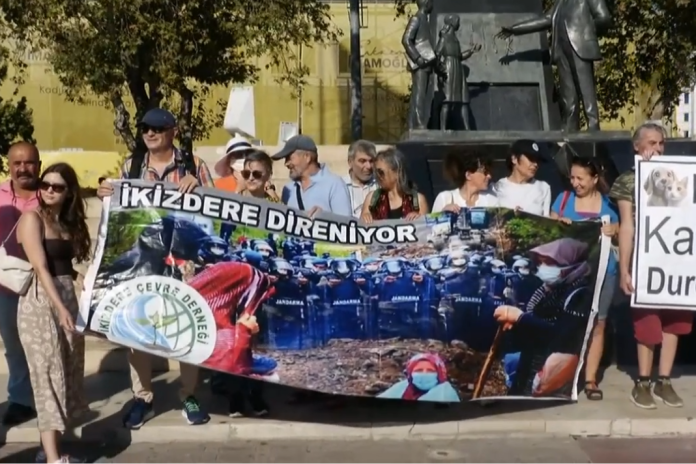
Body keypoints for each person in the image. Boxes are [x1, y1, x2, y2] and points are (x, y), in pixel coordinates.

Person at [96, 108, 214, 428]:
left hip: (184, 264)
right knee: (137, 330)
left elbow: (217, 212)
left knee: (186, 328)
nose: (149, 133)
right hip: (143, 262)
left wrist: (200, 188)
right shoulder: (131, 167)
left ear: (172, 131)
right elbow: (119, 214)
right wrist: (106, 195)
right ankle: (142, 397)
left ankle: (188, 394)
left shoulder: (195, 166)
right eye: (145, 128)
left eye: (157, 128)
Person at [611, 121, 692, 410]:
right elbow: (627, 226)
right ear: (637, 146)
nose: (657, 148)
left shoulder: (683, 176)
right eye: (652, 143)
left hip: (678, 263)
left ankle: (664, 380)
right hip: (645, 263)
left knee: (675, 321)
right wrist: (625, 268)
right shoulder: (627, 181)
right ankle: (643, 382)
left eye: (661, 143)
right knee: (647, 323)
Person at [16, 162, 91, 464]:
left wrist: (78, 278)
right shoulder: (32, 219)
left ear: (68, 192)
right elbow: (41, 267)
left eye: (56, 187)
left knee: (68, 371)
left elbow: (62, 267)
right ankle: (53, 459)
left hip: (64, 297)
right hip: (39, 301)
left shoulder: (65, 223)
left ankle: (47, 450)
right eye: (44, 185)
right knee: (47, 374)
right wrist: (60, 308)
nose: (48, 190)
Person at [549, 156, 618, 400]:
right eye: (572, 178)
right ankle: (564, 378)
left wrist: (615, 231)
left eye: (581, 178)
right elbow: (547, 229)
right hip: (570, 274)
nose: (575, 183)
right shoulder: (563, 200)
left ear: (595, 179)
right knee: (569, 322)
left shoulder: (609, 204)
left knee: (599, 323)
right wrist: (556, 222)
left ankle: (590, 379)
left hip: (603, 272)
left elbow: (621, 233)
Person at [0, 142, 40, 426]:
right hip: (7, 284)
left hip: (42, 283)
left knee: (44, 345)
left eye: (28, 162)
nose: (23, 168)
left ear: (38, 164)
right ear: (9, 165)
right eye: (17, 163)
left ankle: (49, 397)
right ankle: (21, 399)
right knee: (13, 345)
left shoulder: (51, 192)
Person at [274, 135, 352, 217]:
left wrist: (324, 217)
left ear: (307, 157)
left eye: (289, 158)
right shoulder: (288, 189)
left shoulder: (334, 184)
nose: (286, 163)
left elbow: (346, 224)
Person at [360, 147, 429, 222]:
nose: (378, 176)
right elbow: (361, 226)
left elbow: (425, 229)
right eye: (375, 172)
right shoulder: (372, 199)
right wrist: (365, 217)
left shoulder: (418, 200)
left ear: (397, 173)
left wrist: (419, 218)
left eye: (381, 172)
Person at [494, 139, 552, 216]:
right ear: (514, 159)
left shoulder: (543, 188)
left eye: (537, 160)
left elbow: (546, 220)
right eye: (531, 159)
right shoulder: (498, 187)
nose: (535, 164)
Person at [431, 150, 497, 213]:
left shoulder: (491, 199)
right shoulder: (444, 198)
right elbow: (430, 223)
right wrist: (444, 214)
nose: (489, 176)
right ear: (468, 175)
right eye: (485, 172)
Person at [343, 140, 377, 218]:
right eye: (362, 161)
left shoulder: (381, 185)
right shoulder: (339, 186)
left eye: (371, 161)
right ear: (350, 162)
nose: (368, 166)